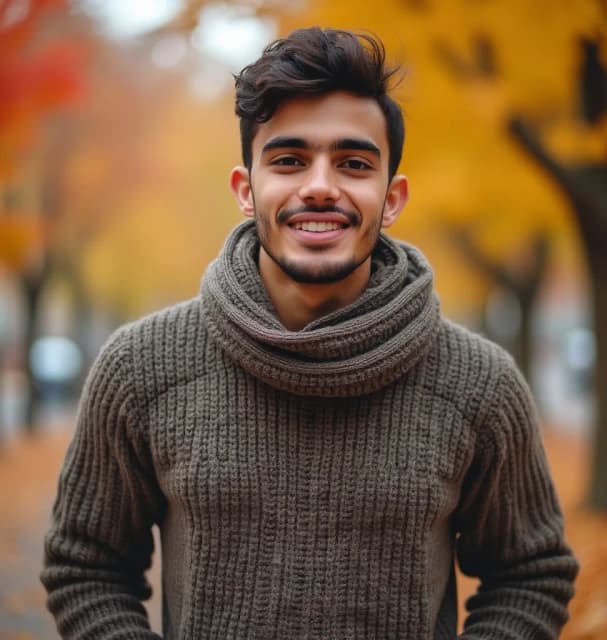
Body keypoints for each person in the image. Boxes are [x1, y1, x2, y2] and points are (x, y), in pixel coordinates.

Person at [41, 27, 578, 639]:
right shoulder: (141, 368)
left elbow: (530, 572)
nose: (320, 186)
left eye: (353, 163)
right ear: (247, 189)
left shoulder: (479, 383)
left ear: (391, 197)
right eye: (289, 160)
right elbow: (86, 566)